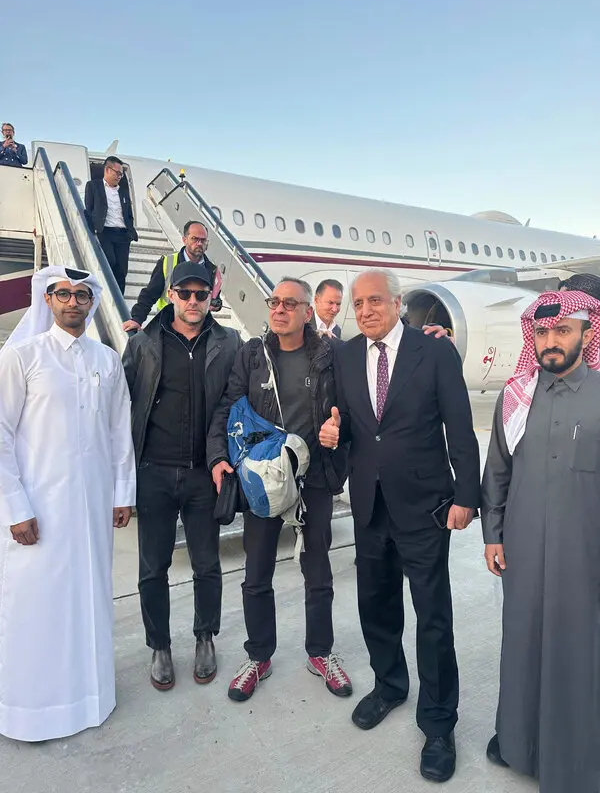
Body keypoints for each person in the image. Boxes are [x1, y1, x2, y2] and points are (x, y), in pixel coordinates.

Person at [319, 269, 480, 783]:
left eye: (374, 301)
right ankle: (389, 685)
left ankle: (437, 722)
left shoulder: (433, 351)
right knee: (376, 605)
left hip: (426, 505)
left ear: (396, 303)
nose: (364, 310)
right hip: (369, 504)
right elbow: (350, 427)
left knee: (433, 617)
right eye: (357, 303)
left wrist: (466, 496)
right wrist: (332, 434)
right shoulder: (344, 356)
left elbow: (459, 424)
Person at [0, 266, 136, 742]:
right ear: (48, 300)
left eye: (82, 295)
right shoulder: (22, 356)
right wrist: (15, 507)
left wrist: (123, 493)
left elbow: (120, 430)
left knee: (90, 599)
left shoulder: (106, 359)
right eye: (63, 294)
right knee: (35, 604)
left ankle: (90, 697)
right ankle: (31, 710)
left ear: (91, 302)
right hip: (38, 508)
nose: (73, 302)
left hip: (93, 506)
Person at [207, 277, 352, 703]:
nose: (280, 309)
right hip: (264, 478)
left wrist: (338, 430)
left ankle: (320, 652)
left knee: (318, 570)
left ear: (309, 311)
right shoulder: (252, 355)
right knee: (256, 575)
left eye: (291, 303)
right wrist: (220, 457)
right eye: (275, 301)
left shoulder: (332, 355)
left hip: (315, 479)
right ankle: (259, 656)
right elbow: (226, 406)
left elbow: (352, 407)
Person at [481, 288, 600, 793]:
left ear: (587, 333)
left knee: (578, 649)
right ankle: (518, 743)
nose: (551, 341)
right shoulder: (516, 395)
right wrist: (493, 535)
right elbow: (498, 470)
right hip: (525, 547)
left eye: (563, 331)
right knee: (523, 642)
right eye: (543, 332)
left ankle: (576, 759)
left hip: (585, 552)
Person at [122, 262, 241, 690]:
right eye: (185, 293)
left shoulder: (229, 343)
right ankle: (160, 645)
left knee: (207, 565)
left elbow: (241, 399)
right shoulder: (143, 343)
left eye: (201, 294)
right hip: (153, 472)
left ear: (212, 296)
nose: (194, 301)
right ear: (170, 294)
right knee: (153, 568)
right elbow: (121, 407)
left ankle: (205, 636)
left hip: (203, 476)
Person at [123, 220, 222, 332]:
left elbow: (215, 298)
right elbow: (150, 294)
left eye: (203, 240)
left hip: (198, 331)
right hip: (167, 328)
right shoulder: (167, 262)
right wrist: (137, 319)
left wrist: (216, 304)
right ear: (184, 240)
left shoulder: (212, 270)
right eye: (195, 239)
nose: (199, 243)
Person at [84, 156, 138, 294]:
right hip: (105, 232)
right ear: (107, 169)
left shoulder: (123, 191)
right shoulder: (93, 186)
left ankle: (119, 298)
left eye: (121, 174)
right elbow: (89, 209)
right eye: (117, 173)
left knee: (121, 270)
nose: (120, 176)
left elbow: (128, 213)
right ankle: (105, 294)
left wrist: (130, 232)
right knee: (110, 262)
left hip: (123, 235)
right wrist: (93, 230)